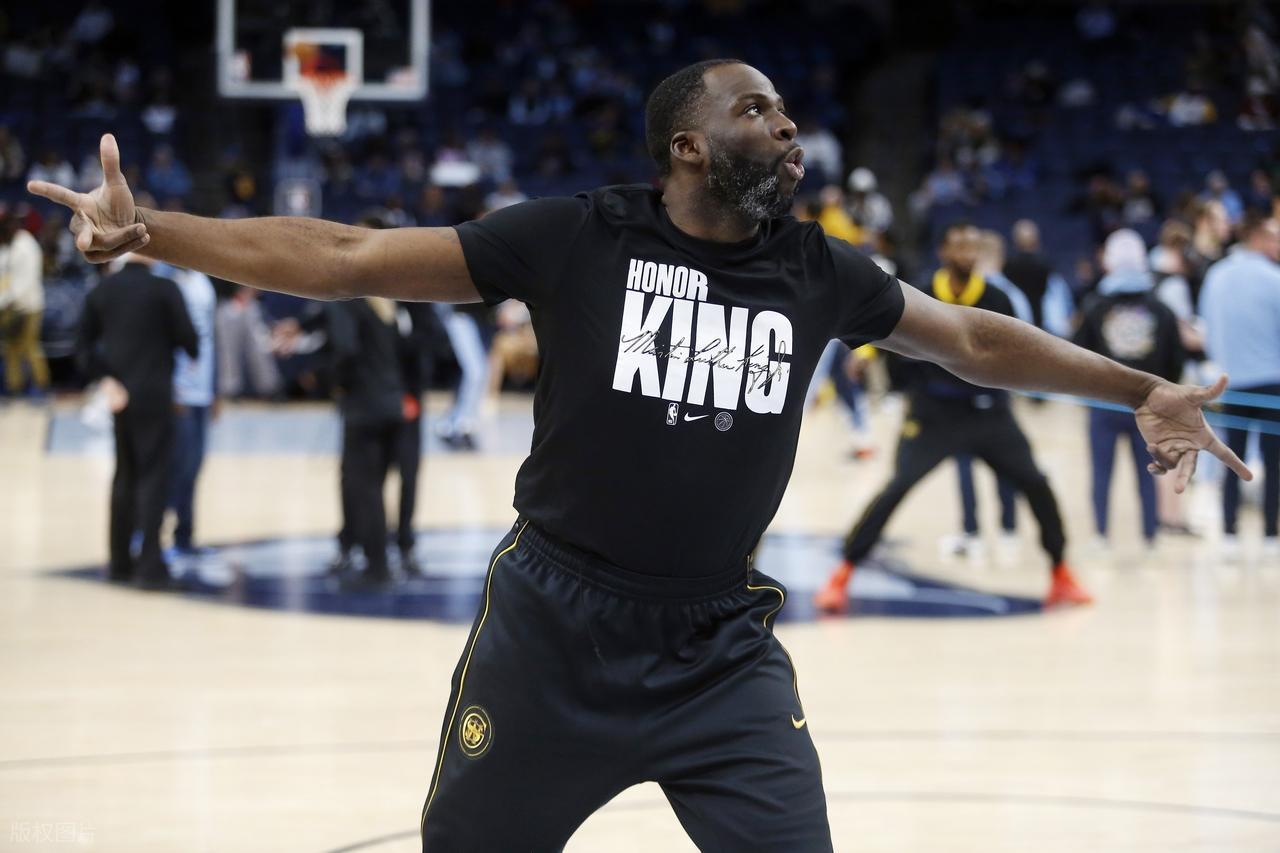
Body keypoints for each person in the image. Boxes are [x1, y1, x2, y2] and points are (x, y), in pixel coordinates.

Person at [31, 60, 1250, 853]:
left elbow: (972, 338)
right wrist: (153, 233)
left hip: (718, 646)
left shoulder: (816, 270)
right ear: (685, 147)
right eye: (754, 109)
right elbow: (346, 255)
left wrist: (1137, 387)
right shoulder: (577, 238)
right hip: (550, 630)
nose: (785, 125)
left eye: (786, 110)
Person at [816, 223, 1085, 613]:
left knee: (1036, 484)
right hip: (933, 414)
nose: (967, 253)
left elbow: (1021, 348)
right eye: (959, 246)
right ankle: (842, 573)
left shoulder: (996, 298)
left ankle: (1060, 571)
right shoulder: (922, 291)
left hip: (988, 413)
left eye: (973, 247)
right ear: (943, 251)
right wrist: (866, 355)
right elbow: (884, 327)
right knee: (896, 487)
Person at [75, 254, 197, 588]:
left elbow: (81, 345)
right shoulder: (165, 289)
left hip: (119, 396)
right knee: (153, 477)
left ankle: (119, 563)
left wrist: (106, 380)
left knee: (124, 476)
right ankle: (150, 565)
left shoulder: (103, 289)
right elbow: (190, 339)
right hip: (156, 394)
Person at [1073, 230, 1185, 548]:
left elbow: (1076, 354)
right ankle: (1150, 536)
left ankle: (1100, 535)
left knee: (1101, 472)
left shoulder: (1094, 306)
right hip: (1149, 406)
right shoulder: (1161, 308)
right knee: (1149, 472)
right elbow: (1175, 360)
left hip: (1104, 404)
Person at [1198, 213, 1280, 554]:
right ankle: (1270, 535)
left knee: (1231, 459)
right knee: (1273, 463)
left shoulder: (1215, 276)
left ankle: (1229, 533)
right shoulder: (1274, 278)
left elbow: (1207, 326)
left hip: (1229, 381)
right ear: (1257, 238)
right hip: (1271, 383)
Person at [160, 264, 218, 554]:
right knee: (175, 465)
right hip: (178, 390)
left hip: (202, 390)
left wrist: (216, 389)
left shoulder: (203, 280)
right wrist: (171, 388)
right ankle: (150, 532)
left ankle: (185, 535)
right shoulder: (165, 280)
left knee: (194, 465)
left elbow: (212, 336)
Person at [0, 205, 50, 397]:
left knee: (30, 347)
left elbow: (26, 281)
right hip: (8, 307)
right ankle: (15, 388)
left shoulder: (25, 244)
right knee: (10, 349)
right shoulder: (6, 245)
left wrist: (5, 299)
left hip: (29, 306)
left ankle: (40, 386)